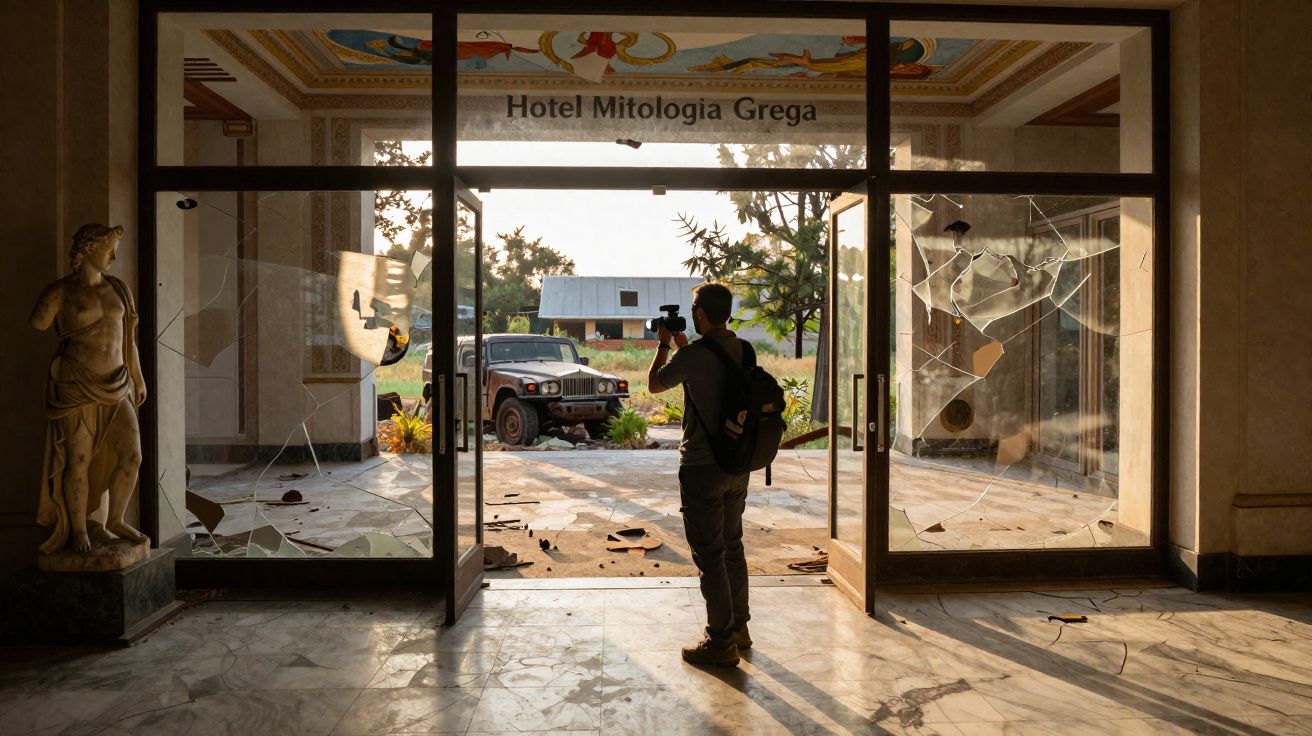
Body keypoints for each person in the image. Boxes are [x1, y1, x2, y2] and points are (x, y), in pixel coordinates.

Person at [647, 282, 751, 667]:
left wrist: (663, 345)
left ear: (700, 313)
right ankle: (739, 629)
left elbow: (655, 384)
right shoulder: (745, 349)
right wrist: (682, 345)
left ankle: (720, 643)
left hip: (701, 467)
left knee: (710, 554)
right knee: (732, 545)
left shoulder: (692, 356)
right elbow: (711, 370)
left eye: (694, 307)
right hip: (737, 463)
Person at [29, 224, 149, 554]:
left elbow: (128, 340)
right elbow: (38, 322)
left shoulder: (119, 288)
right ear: (89, 249)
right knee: (77, 460)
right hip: (76, 385)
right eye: (109, 250)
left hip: (118, 384)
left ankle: (116, 520)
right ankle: (79, 529)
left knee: (132, 456)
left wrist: (138, 378)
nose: (114, 257)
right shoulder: (60, 292)